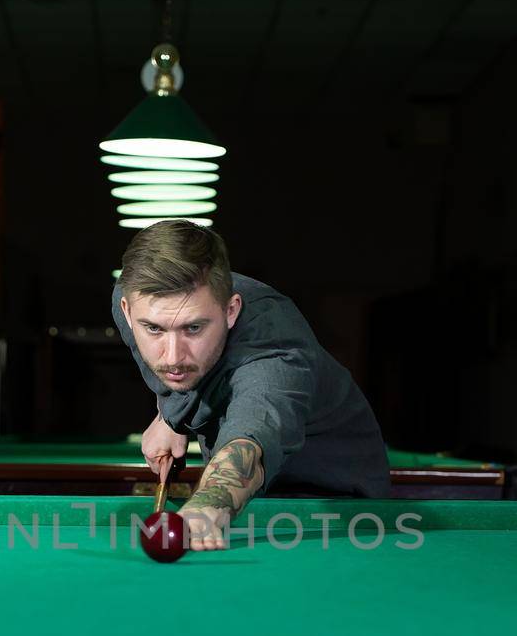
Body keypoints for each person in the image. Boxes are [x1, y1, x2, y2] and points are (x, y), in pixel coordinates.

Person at [112, 220, 390, 551]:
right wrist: (170, 413)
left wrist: (209, 504)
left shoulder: (275, 351)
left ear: (231, 311)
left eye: (194, 328)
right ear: (129, 313)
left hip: (334, 511)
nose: (173, 356)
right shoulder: (130, 298)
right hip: (252, 507)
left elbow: (257, 427)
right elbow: (176, 371)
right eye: (154, 330)